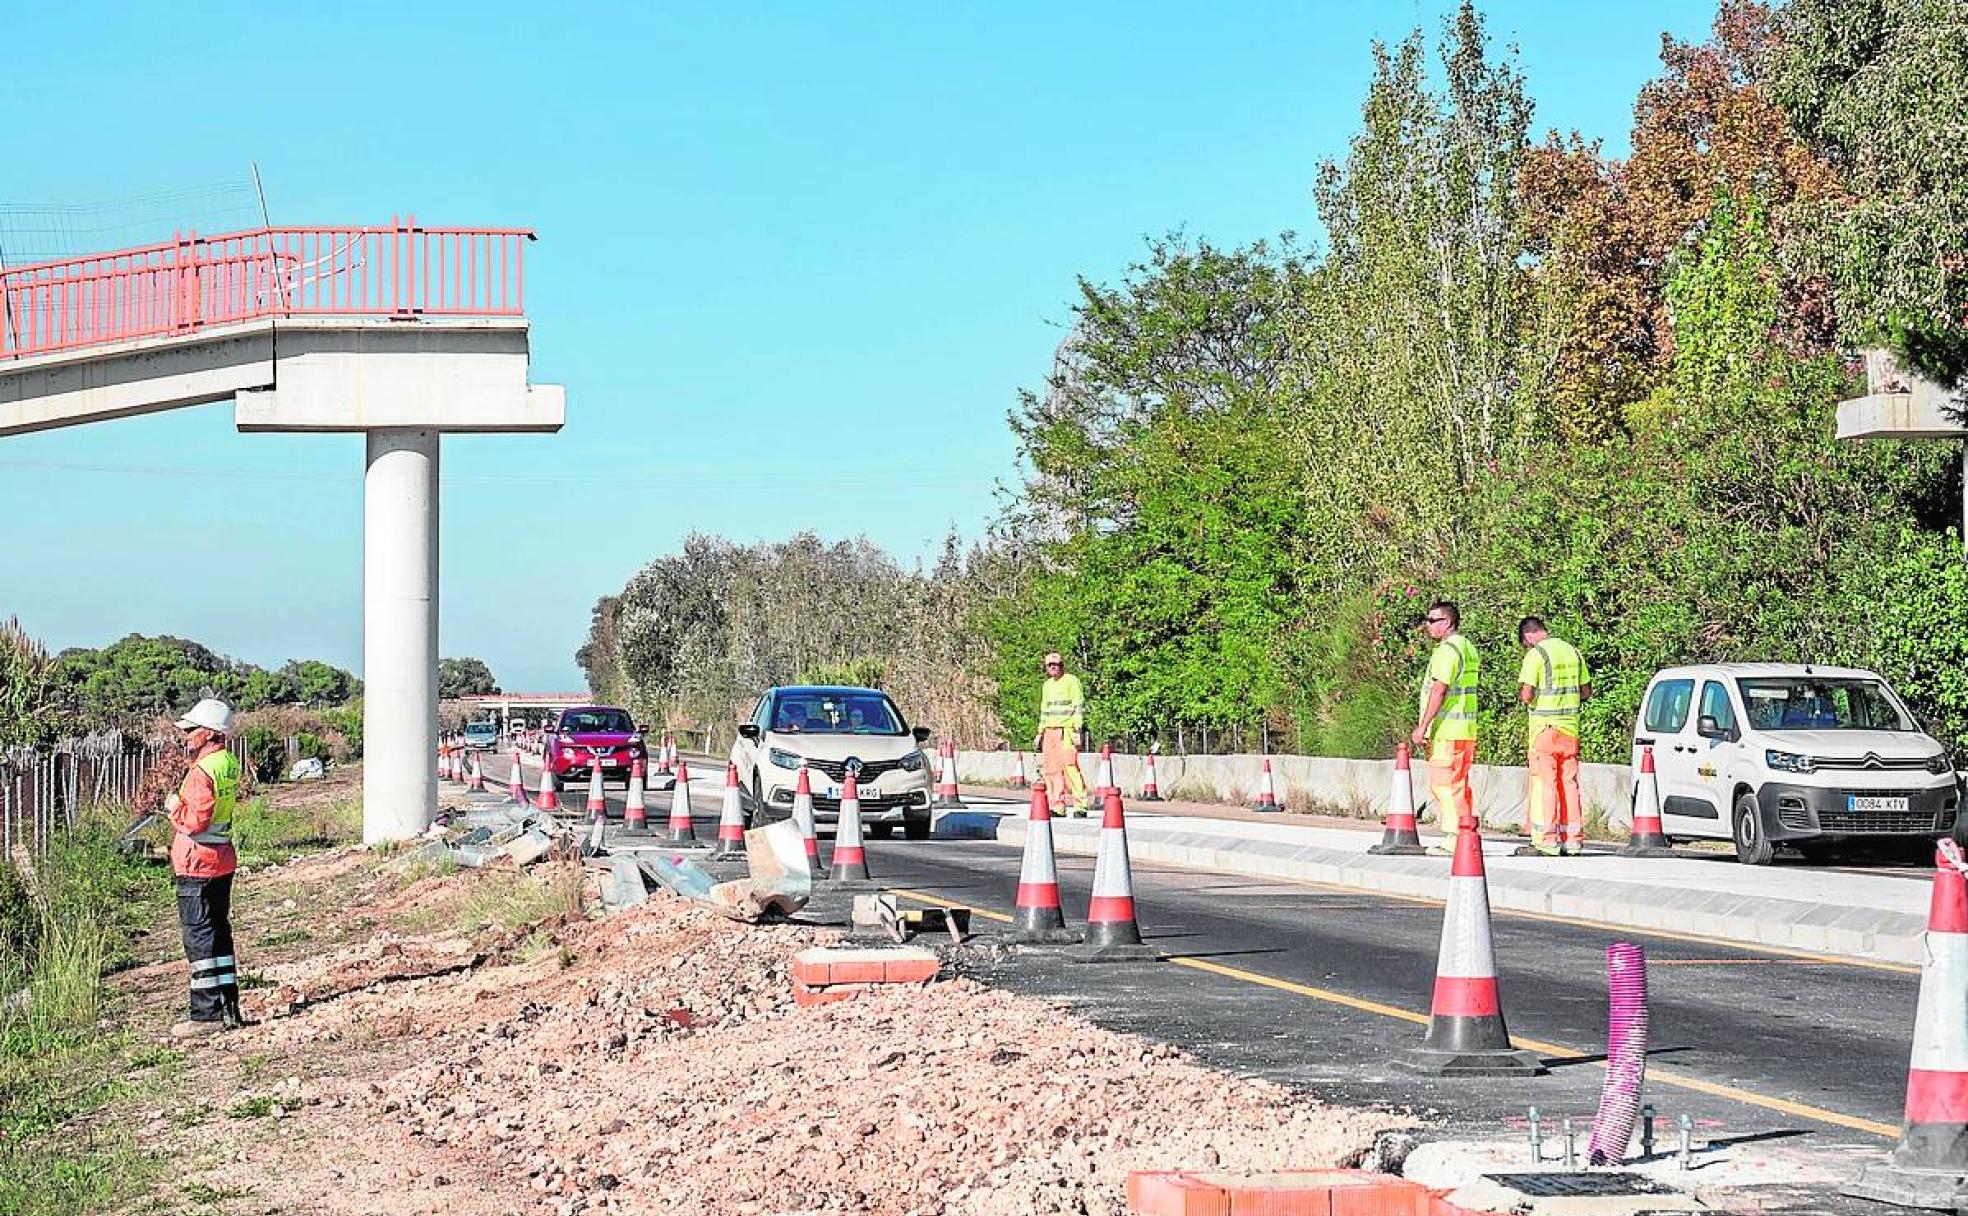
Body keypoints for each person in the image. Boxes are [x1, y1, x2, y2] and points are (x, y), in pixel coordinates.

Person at [166, 698, 244, 1039]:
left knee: (199, 940)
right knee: (218, 933)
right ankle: (228, 1007)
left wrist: (173, 807)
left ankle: (205, 1014)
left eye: (191, 729)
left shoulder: (201, 772)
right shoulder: (228, 763)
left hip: (197, 862)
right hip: (221, 859)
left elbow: (195, 822)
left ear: (209, 734)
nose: (185, 736)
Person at [1516, 617, 1592, 857]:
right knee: (1569, 784)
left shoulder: (1536, 655)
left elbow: (1527, 694)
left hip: (1544, 730)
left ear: (1528, 637)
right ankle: (1573, 839)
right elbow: (1586, 691)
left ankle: (1546, 839)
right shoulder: (1573, 652)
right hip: (1570, 729)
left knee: (1544, 784)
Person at [1411, 602, 1479, 856]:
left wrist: (1423, 726)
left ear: (1447, 622)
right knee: (1459, 784)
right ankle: (1465, 830)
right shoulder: (1467, 647)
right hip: (1465, 729)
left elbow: (1440, 689)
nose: (1428, 625)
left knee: (1444, 785)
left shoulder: (1447, 651)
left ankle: (1453, 838)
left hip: (1448, 729)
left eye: (1432, 620)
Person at [1032, 651, 1091, 817]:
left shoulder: (1071, 681)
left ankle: (1080, 805)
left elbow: (1078, 705)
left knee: (1070, 767)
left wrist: (1077, 729)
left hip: (1066, 730)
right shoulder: (1047, 685)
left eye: (1056, 665)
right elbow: (1044, 710)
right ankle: (1057, 805)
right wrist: (1040, 732)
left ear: (1061, 666)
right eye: (1050, 665)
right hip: (1049, 731)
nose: (1053, 668)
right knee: (1051, 770)